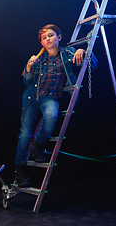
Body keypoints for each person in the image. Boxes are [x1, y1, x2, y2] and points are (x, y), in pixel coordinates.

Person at [14, 24, 97, 187]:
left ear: (59, 37)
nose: (47, 39)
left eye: (51, 35)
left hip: (50, 96)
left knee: (51, 115)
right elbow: (27, 82)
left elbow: (93, 64)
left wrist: (84, 52)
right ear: (42, 43)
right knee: (24, 134)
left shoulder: (68, 53)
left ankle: (38, 145)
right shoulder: (38, 59)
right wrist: (29, 66)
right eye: (44, 38)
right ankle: (20, 171)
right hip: (32, 97)